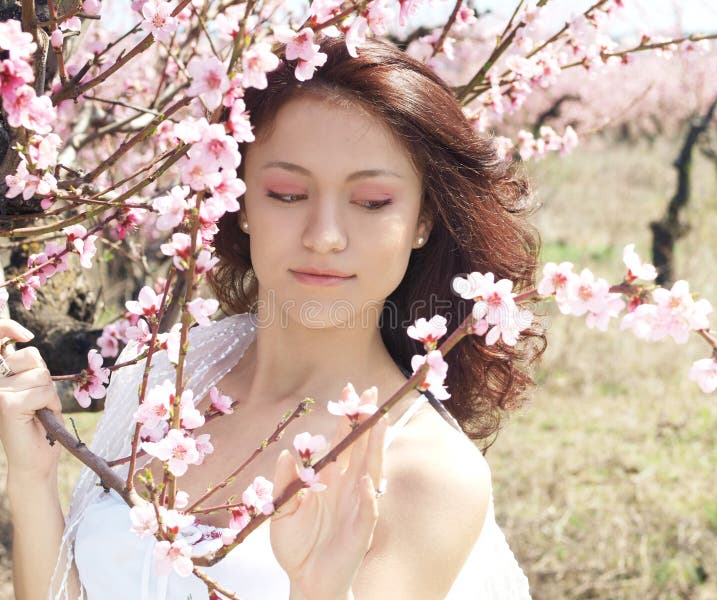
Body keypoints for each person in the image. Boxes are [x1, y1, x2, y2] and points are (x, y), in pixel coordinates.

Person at [0, 35, 544, 599]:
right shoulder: (164, 376)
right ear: (241, 203)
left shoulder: (425, 473)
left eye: (373, 202)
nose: (325, 237)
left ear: (422, 221)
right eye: (286, 193)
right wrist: (33, 479)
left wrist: (319, 589)